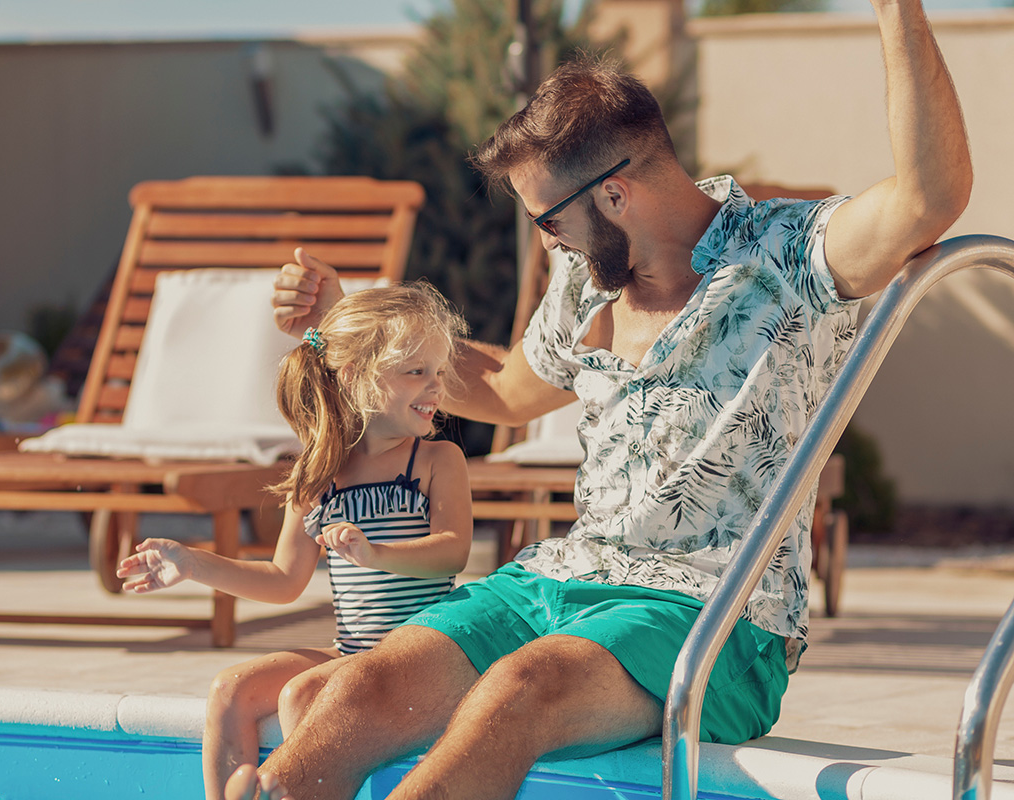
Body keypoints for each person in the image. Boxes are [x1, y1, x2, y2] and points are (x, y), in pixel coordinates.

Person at [242, 0, 971, 797]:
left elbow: (929, 198)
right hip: (560, 580)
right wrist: (347, 320)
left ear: (615, 196)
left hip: (714, 616)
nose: (545, 241)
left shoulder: (789, 255)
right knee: (352, 692)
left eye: (547, 220)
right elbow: (505, 391)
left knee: (518, 691)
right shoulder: (582, 284)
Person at [115, 282, 473, 800]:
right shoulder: (318, 475)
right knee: (230, 690)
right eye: (416, 371)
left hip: (422, 659)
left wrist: (378, 554)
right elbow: (283, 581)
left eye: (438, 371)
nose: (435, 386)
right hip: (352, 651)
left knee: (304, 694)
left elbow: (453, 550)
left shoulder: (438, 462)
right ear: (355, 376)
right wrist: (193, 564)